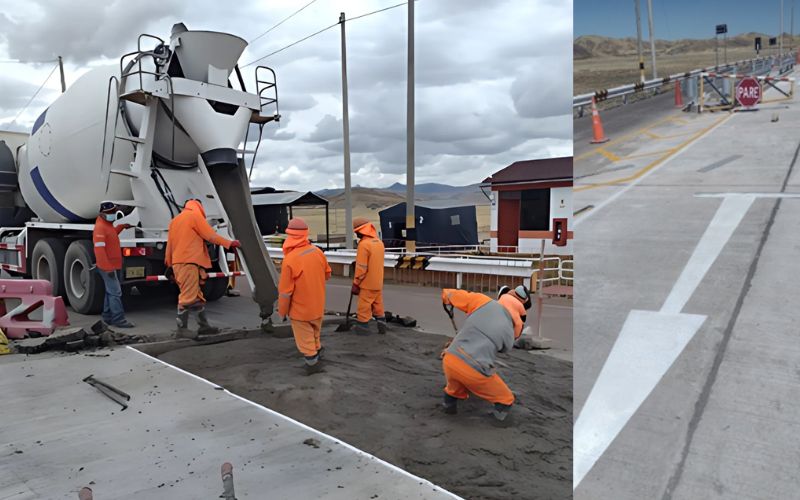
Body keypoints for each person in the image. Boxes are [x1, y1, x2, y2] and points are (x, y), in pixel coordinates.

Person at [439, 285, 530, 422]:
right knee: (506, 399)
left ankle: (449, 406)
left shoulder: (482, 301)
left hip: (450, 358)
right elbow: (505, 348)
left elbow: (450, 294)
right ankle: (495, 426)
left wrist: (446, 298)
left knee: (455, 388)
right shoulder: (511, 331)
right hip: (475, 368)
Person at [165, 199, 240, 338]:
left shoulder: (175, 221)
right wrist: (229, 243)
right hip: (189, 262)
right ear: (199, 206)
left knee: (196, 296)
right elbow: (210, 235)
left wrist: (169, 264)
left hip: (179, 263)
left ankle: (204, 327)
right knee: (187, 297)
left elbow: (169, 245)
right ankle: (181, 330)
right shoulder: (194, 216)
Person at [277, 218, 331, 374]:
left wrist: (282, 312)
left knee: (305, 338)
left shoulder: (290, 260)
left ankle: (312, 363)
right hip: (318, 305)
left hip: (300, 309)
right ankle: (318, 351)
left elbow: (285, 292)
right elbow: (327, 274)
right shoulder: (317, 252)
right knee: (315, 332)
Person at [92, 201, 135, 328]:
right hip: (108, 267)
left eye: (114, 211)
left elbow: (111, 235)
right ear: (103, 214)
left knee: (110, 292)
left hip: (113, 265)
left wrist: (121, 227)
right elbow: (99, 250)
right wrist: (107, 268)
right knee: (116, 293)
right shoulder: (100, 227)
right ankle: (119, 319)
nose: (114, 214)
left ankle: (107, 317)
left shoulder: (107, 225)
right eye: (111, 212)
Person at [351, 217, 386, 335]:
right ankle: (382, 327)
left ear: (361, 231)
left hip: (367, 283)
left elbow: (361, 268)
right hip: (378, 283)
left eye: (356, 232)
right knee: (378, 305)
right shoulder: (379, 243)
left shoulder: (364, 245)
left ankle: (363, 329)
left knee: (363, 307)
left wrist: (356, 283)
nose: (356, 235)